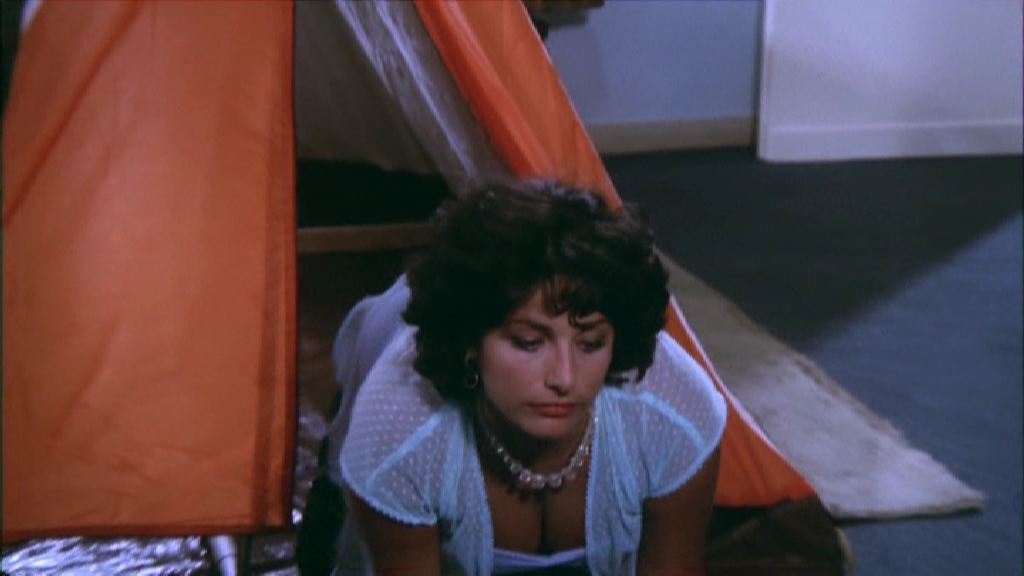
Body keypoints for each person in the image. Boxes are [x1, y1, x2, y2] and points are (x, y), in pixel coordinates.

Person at [309, 183, 726, 575]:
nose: (565, 378)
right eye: (529, 343)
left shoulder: (678, 416)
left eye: (591, 343)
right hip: (396, 340)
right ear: (471, 342)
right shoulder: (396, 432)